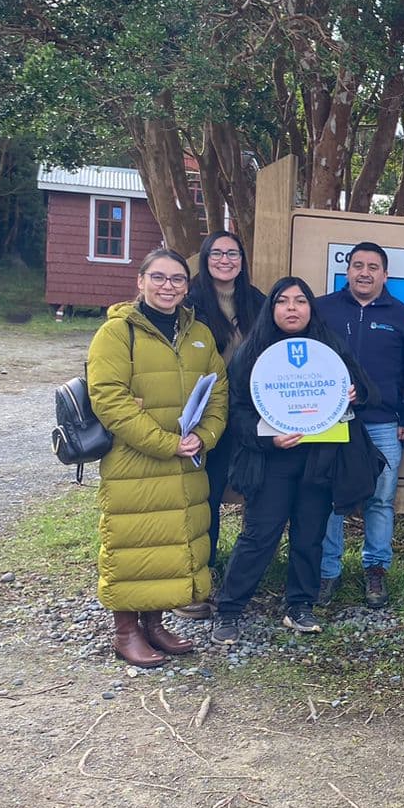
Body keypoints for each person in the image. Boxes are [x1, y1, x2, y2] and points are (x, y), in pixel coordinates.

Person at [212, 277, 376, 646]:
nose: (292, 308)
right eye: (283, 301)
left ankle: (300, 606)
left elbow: (367, 391)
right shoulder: (253, 351)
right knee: (259, 536)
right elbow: (235, 411)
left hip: (319, 458)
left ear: (310, 308)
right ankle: (229, 610)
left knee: (309, 536)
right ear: (272, 309)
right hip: (271, 461)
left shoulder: (329, 346)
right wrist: (267, 437)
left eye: (300, 301)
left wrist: (355, 392)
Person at [87, 248, 228, 666]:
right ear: (141, 281)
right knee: (133, 542)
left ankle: (154, 623)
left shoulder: (198, 333)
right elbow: (108, 399)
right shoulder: (116, 334)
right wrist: (167, 443)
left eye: (177, 280)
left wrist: (205, 436)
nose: (169, 287)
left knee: (169, 543)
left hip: (186, 459)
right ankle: (125, 631)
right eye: (160, 278)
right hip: (136, 462)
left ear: (187, 287)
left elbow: (218, 390)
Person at [315, 242, 404, 610]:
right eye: (357, 265)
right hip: (330, 422)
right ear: (347, 271)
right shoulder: (323, 308)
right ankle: (327, 571)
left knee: (380, 501)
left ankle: (376, 569)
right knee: (330, 499)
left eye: (372, 266)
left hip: (382, 424)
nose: (365, 272)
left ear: (385, 274)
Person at [177, 230, 266, 618]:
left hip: (250, 412)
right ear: (205, 258)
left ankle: (247, 575)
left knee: (259, 492)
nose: (225, 260)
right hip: (206, 413)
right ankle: (203, 571)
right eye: (217, 253)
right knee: (206, 495)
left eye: (233, 253)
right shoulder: (190, 300)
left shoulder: (257, 300)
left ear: (242, 259)